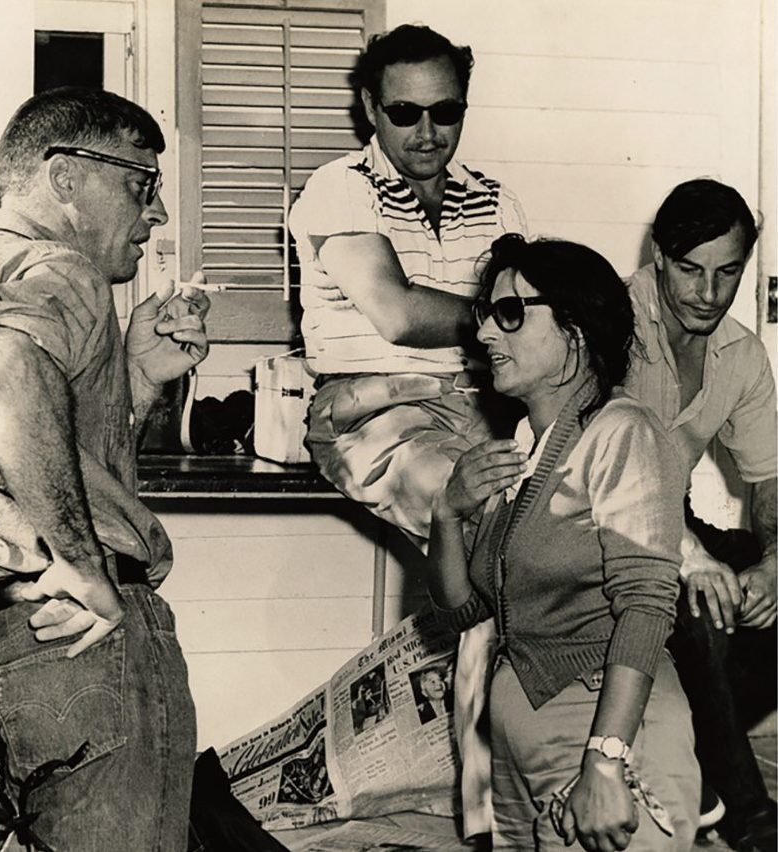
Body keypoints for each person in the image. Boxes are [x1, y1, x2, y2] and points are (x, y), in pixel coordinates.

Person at [0, 87, 210, 850]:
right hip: (82, 650)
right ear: (64, 178)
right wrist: (84, 564)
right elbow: (4, 366)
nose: (157, 213)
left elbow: (17, 455)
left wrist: (136, 380)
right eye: (142, 184)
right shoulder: (65, 269)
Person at [427, 233, 700, 850]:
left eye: (510, 313)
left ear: (575, 328)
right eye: (485, 314)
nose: (485, 333)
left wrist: (605, 761)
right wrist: (447, 514)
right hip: (524, 754)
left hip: (603, 741)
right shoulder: (523, 449)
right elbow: (464, 612)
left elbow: (647, 605)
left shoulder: (622, 433)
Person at [289, 23, 528, 545]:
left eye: (445, 112)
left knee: (568, 512)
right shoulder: (341, 186)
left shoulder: (497, 201)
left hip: (489, 407)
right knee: (484, 521)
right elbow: (397, 315)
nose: (427, 132)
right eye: (404, 113)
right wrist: (509, 316)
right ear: (370, 107)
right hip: (375, 409)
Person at [626, 178, 777, 851]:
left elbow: (770, 478)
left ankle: (692, 756)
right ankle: (750, 817)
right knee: (702, 603)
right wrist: (690, 557)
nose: (709, 294)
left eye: (728, 272)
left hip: (675, 516)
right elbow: (605, 478)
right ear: (659, 255)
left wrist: (774, 563)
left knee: (748, 587)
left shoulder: (741, 352)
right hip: (590, 522)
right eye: (691, 270)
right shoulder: (608, 320)